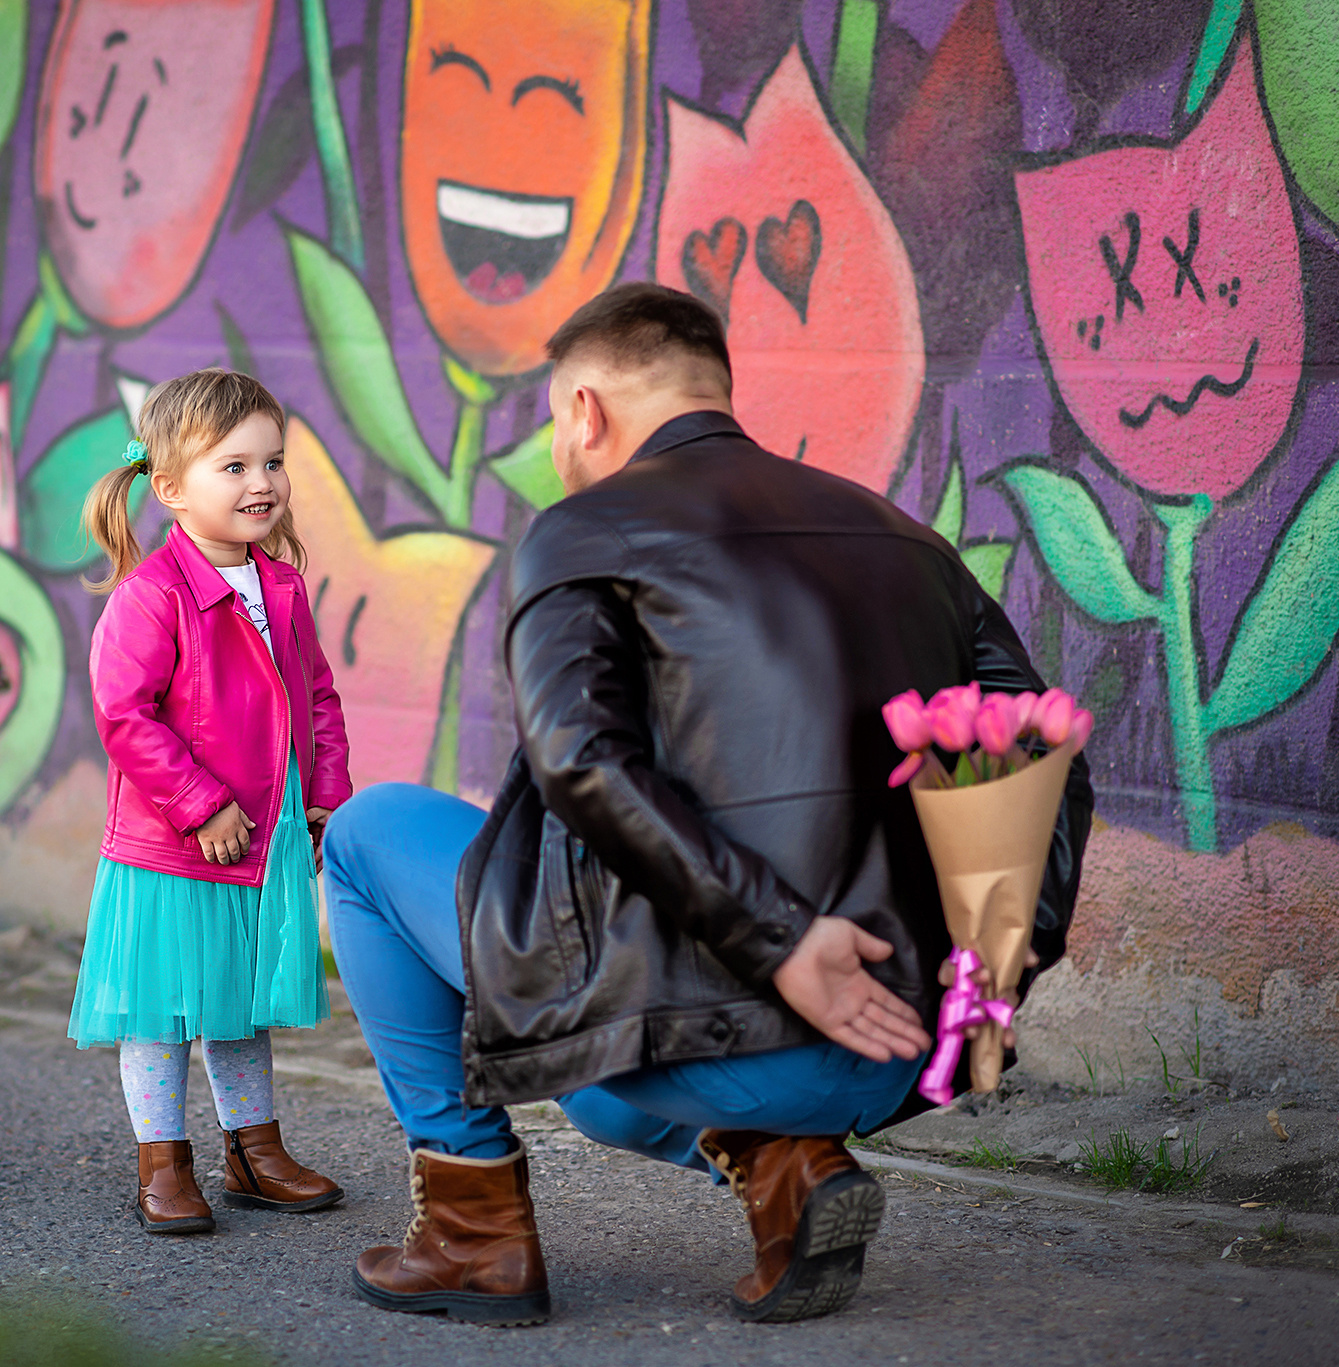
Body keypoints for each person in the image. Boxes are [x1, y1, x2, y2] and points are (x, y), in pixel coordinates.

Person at [324, 283, 1092, 1324]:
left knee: (368, 834)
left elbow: (579, 759)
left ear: (585, 411)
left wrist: (783, 944)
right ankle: (787, 1170)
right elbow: (1046, 758)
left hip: (738, 1047)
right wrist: (987, 981)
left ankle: (471, 1236)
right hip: (908, 1051)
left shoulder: (583, 527)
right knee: (588, 1076)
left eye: (558, 419)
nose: (561, 444)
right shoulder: (907, 539)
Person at [68, 369, 354, 1235]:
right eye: (233, 466)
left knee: (240, 1005)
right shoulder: (150, 597)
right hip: (172, 846)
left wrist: (324, 796)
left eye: (272, 461)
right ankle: (165, 1164)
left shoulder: (284, 590)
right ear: (169, 488)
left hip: (262, 842)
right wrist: (201, 803)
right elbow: (126, 716)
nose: (261, 483)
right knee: (161, 1014)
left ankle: (253, 1151)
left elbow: (318, 697)